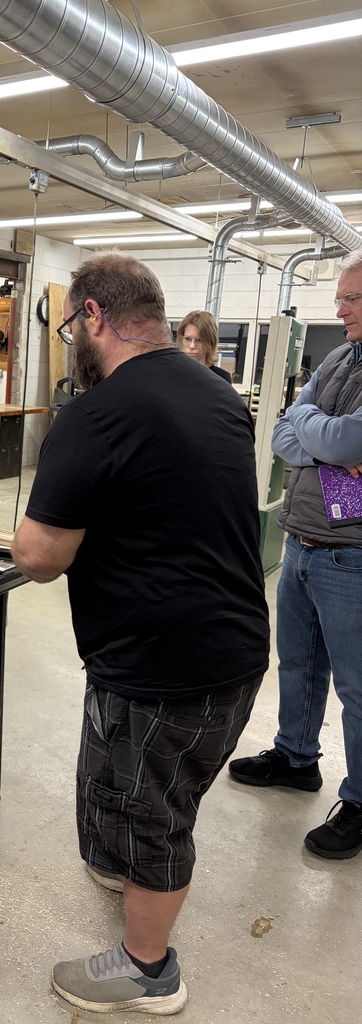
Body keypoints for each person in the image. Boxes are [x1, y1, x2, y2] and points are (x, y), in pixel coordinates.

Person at [11, 251, 269, 1015]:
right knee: (124, 783)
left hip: (166, 666)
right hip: (233, 649)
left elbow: (37, 555)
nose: (70, 344)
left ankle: (149, 969)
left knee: (154, 812)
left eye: (69, 326)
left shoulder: (97, 413)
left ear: (94, 315)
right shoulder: (217, 393)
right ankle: (120, 863)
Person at [229, 249, 362, 860]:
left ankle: (361, 802)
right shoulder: (338, 357)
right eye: (340, 297)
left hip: (353, 555)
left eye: (352, 299)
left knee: (357, 687)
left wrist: (322, 435)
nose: (340, 309)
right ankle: (295, 756)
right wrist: (322, 437)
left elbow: (347, 438)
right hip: (304, 539)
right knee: (297, 663)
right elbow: (286, 430)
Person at [177, 309, 232, 382]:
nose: (192, 346)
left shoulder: (221, 378)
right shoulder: (170, 373)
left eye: (199, 340)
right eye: (187, 339)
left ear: (210, 342)